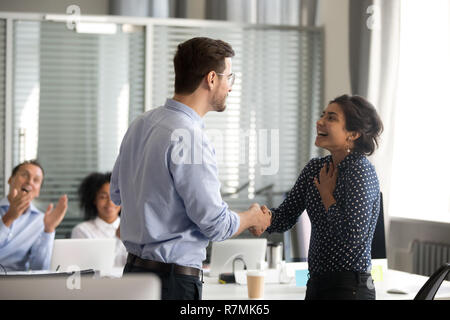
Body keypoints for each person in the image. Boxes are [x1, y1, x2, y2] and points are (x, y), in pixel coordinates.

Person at [110, 37, 271, 300]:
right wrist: (252, 217)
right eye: (229, 77)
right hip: (172, 283)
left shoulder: (142, 123)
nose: (230, 87)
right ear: (211, 78)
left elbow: (116, 194)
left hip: (133, 275)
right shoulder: (190, 138)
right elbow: (215, 225)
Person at [255, 94, 383, 300]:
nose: (320, 121)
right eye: (323, 115)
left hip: (349, 288)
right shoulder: (315, 168)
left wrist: (326, 195)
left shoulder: (360, 171)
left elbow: (352, 237)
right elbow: (285, 216)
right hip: (316, 284)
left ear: (353, 134)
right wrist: (257, 218)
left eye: (331, 118)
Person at [0, 160, 68, 272]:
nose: (29, 182)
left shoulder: (40, 221)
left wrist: (48, 230)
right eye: (24, 175)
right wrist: (9, 217)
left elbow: (40, 268)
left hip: (16, 283)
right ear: (10, 179)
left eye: (36, 180)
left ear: (38, 191)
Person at [71, 172, 127, 269]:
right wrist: (118, 239)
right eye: (103, 197)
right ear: (94, 200)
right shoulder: (82, 231)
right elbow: (90, 266)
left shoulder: (132, 228)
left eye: (115, 197)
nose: (110, 202)